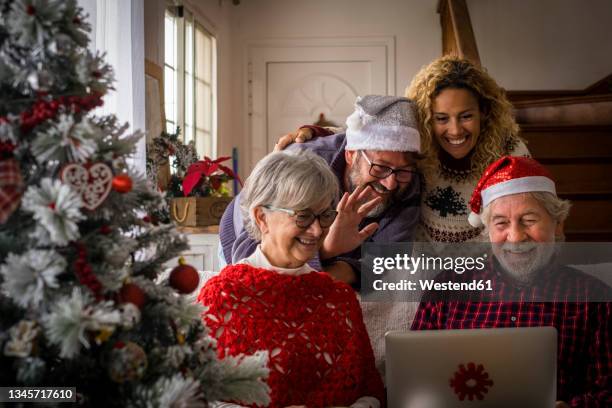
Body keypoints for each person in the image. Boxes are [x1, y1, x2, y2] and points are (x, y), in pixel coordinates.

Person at [411, 156, 611, 407]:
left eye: (529, 220)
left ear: (558, 225)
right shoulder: (448, 287)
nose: (515, 237)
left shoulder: (594, 297)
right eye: (501, 223)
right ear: (488, 230)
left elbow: (608, 389)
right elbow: (416, 379)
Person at [276, 55, 530, 246]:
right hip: (423, 257)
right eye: (441, 118)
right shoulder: (416, 145)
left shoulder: (509, 152)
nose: (454, 130)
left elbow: (531, 210)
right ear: (426, 119)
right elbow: (365, 135)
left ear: (484, 113)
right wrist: (313, 134)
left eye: (465, 116)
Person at [199, 150, 385, 408]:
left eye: (324, 215)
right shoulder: (222, 296)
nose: (317, 230)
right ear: (261, 217)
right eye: (303, 216)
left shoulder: (338, 299)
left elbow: (370, 391)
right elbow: (201, 396)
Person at [220, 95, 422, 288]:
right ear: (351, 155)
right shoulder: (303, 164)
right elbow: (251, 257)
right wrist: (326, 249)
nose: (390, 183)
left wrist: (339, 271)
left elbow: (387, 262)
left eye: (402, 170)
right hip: (244, 235)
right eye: (380, 168)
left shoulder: (407, 182)